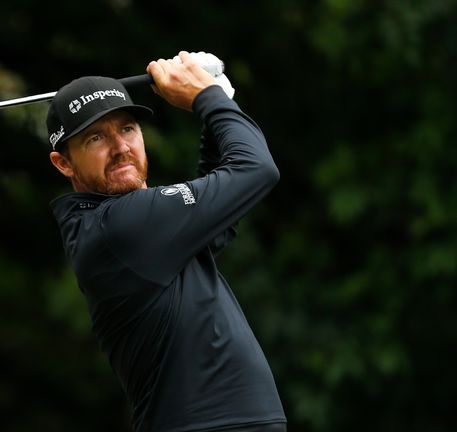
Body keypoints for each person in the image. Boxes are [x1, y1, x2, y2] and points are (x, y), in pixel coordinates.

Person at [46, 51, 286, 432]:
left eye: (127, 129)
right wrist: (209, 99)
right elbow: (255, 169)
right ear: (64, 163)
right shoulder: (119, 225)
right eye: (96, 138)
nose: (121, 147)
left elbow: (217, 221)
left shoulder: (123, 226)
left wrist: (219, 103)